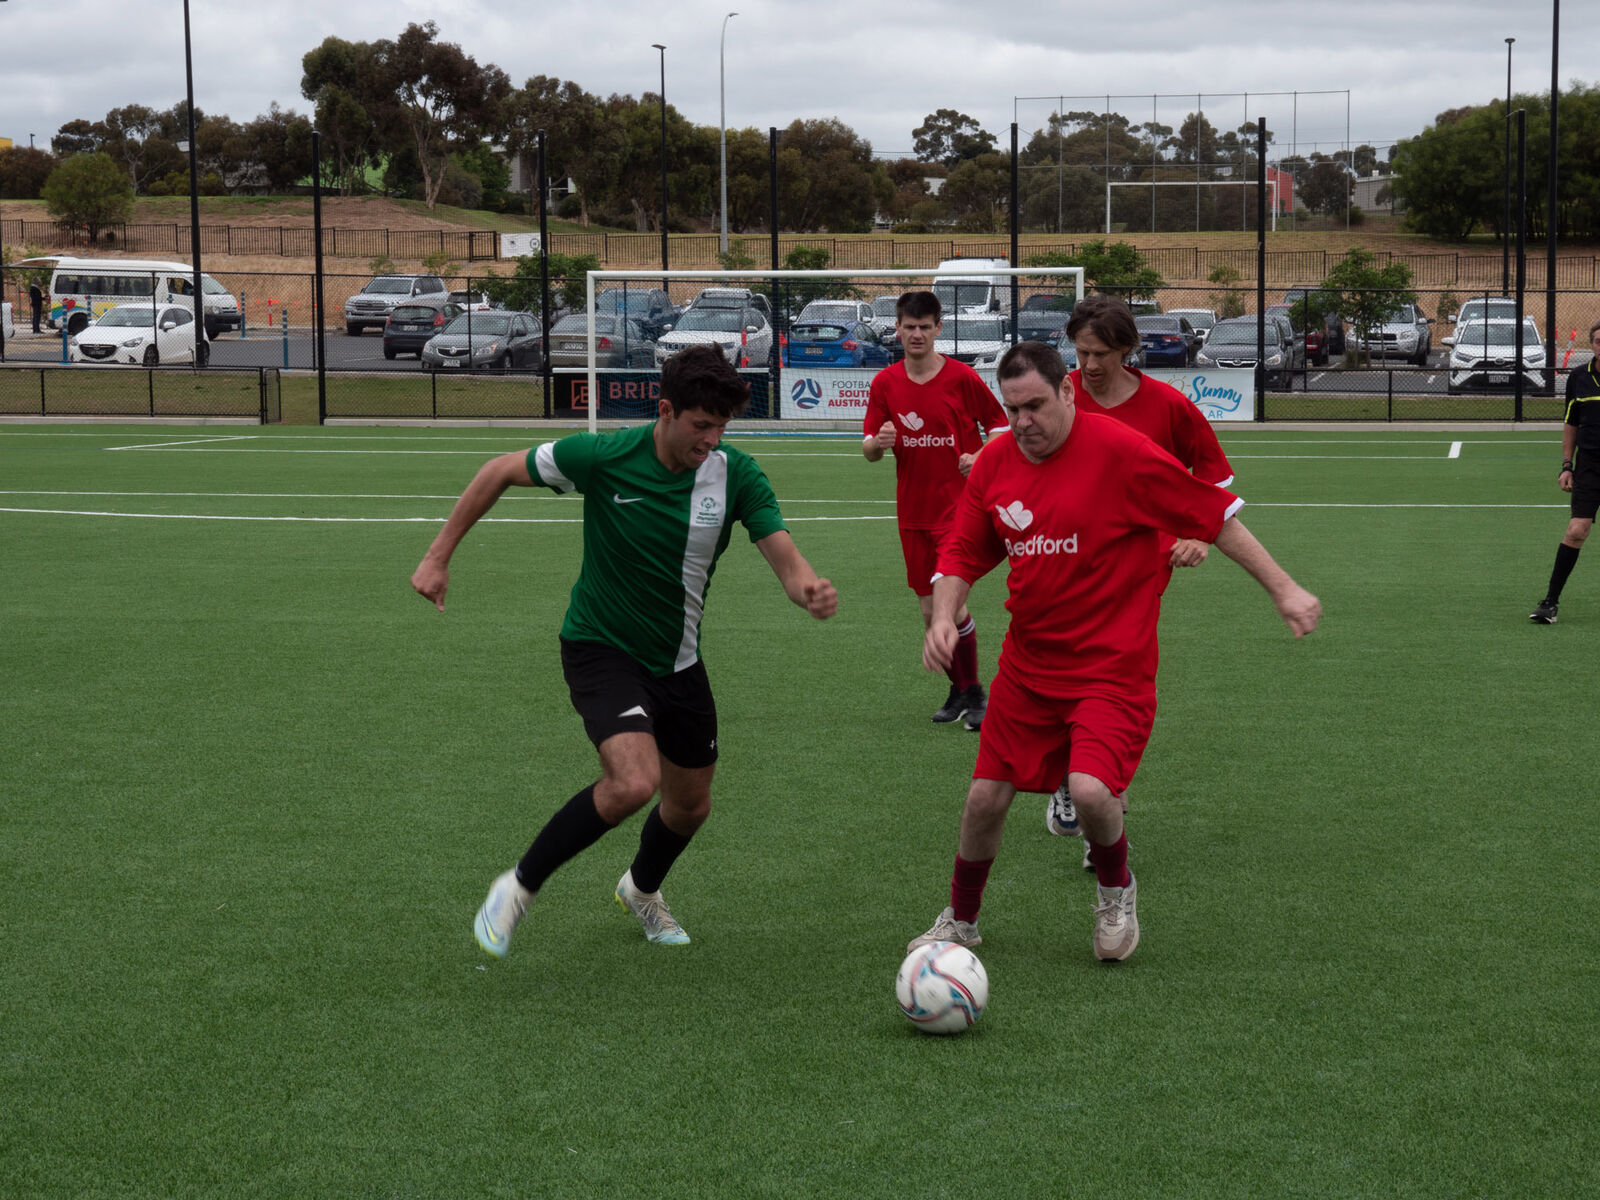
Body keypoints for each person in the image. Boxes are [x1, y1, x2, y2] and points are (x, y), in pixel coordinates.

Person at [412, 344, 838, 955]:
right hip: (600, 646)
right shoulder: (604, 456)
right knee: (634, 782)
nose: (712, 440)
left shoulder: (737, 474)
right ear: (665, 411)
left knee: (690, 807)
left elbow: (787, 561)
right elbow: (498, 470)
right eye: (701, 425)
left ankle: (640, 890)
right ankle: (519, 886)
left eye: (721, 427)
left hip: (678, 662)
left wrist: (808, 590)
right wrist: (437, 558)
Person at [907, 340, 1320, 963]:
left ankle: (1115, 890)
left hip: (1111, 668)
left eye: (1035, 406)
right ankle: (961, 920)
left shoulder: (1121, 452)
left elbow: (1214, 515)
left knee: (1092, 792)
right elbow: (962, 551)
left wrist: (1284, 589)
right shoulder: (995, 463)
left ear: (1067, 391)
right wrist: (943, 616)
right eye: (1012, 409)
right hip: (1028, 667)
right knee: (984, 798)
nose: (1023, 422)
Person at [1045, 295, 1236, 852]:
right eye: (1081, 352)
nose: (1089, 364)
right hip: (1062, 558)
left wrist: (1196, 535)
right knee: (1060, 676)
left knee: (1117, 683)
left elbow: (1214, 478)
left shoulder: (1167, 407)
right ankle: (1075, 779)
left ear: (1128, 349)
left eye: (1101, 354)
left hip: (1140, 568)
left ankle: (1099, 796)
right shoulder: (1061, 396)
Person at [863, 290, 1008, 730]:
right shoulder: (885, 383)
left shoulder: (962, 377)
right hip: (913, 513)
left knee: (951, 608)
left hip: (959, 513)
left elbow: (1001, 427)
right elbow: (869, 448)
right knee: (930, 614)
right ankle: (961, 689)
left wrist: (979, 456)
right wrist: (879, 444)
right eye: (909, 327)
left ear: (938, 328)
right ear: (898, 329)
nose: (917, 334)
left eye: (925, 327)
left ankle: (976, 695)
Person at [1530, 319, 1600, 624]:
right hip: (1590, 466)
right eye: (1598, 341)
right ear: (1592, 344)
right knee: (1576, 530)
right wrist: (1566, 466)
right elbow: (1571, 424)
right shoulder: (1579, 377)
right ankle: (1550, 603)